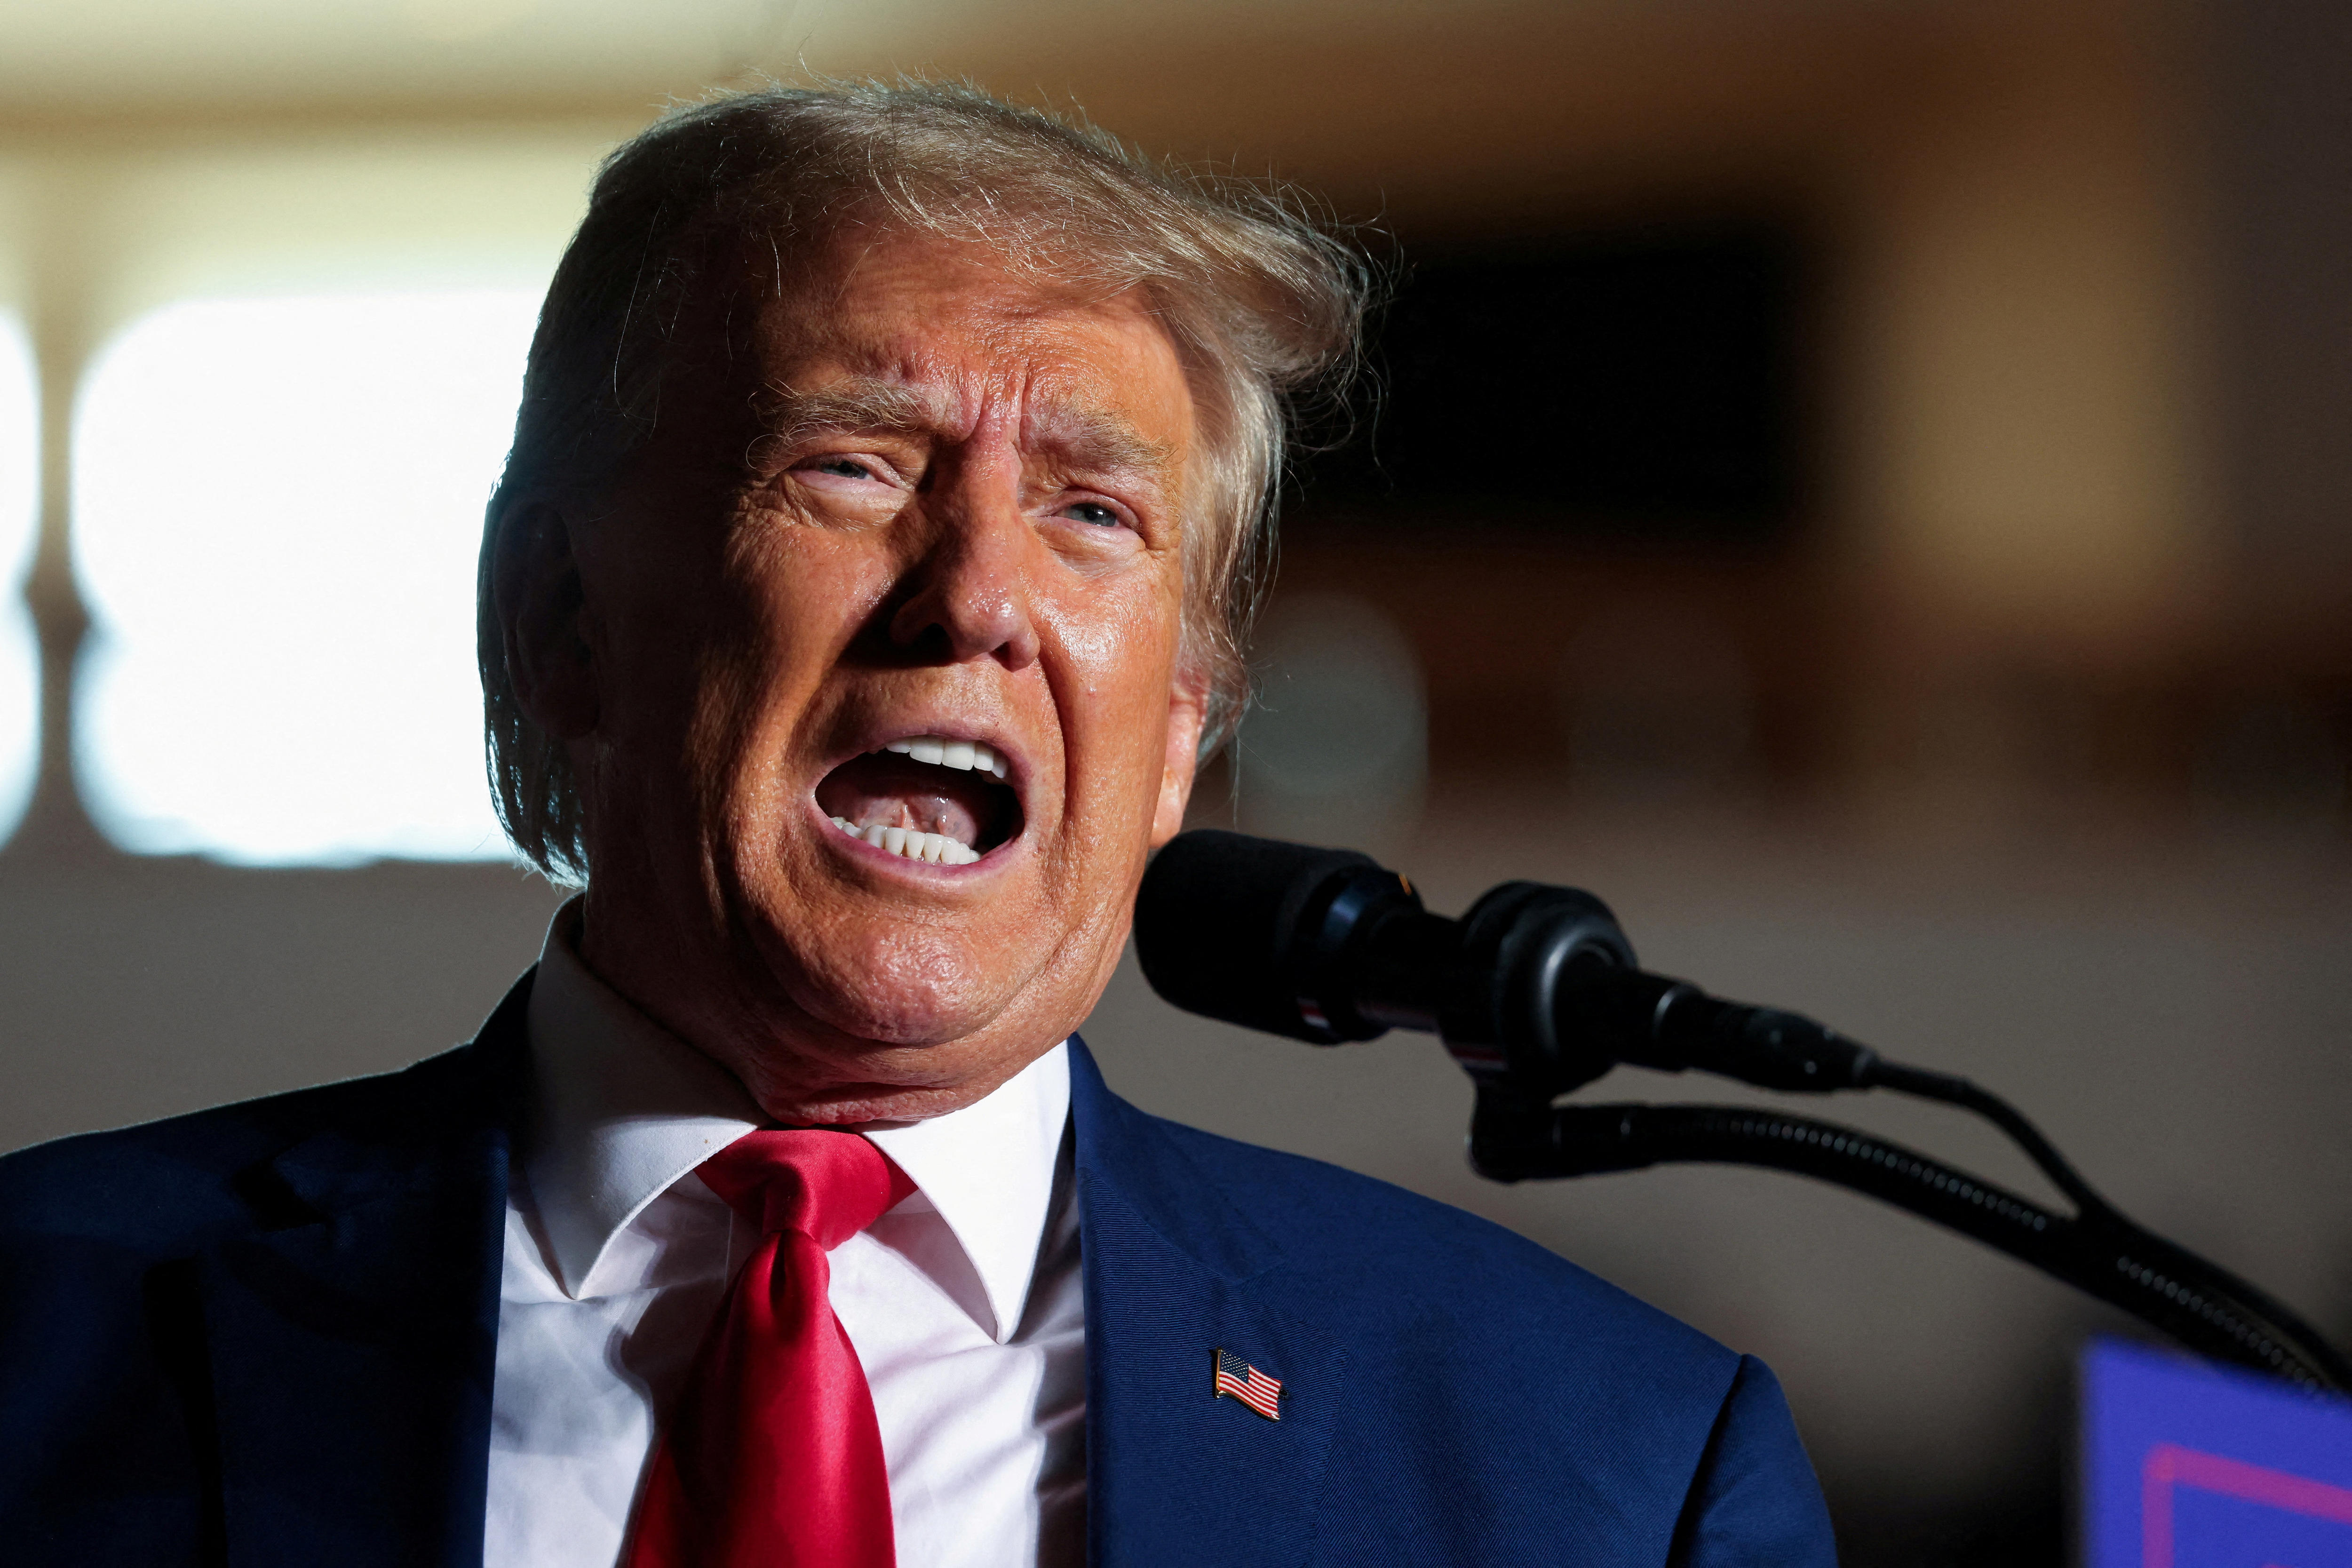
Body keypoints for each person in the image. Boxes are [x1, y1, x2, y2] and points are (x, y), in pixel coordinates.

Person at [0, 82, 1837, 1567]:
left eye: (1091, 513)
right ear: (558, 621)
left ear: (1179, 725)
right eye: (853, 465)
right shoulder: (43, 1330)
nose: (974, 595)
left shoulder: (1601, 1476)